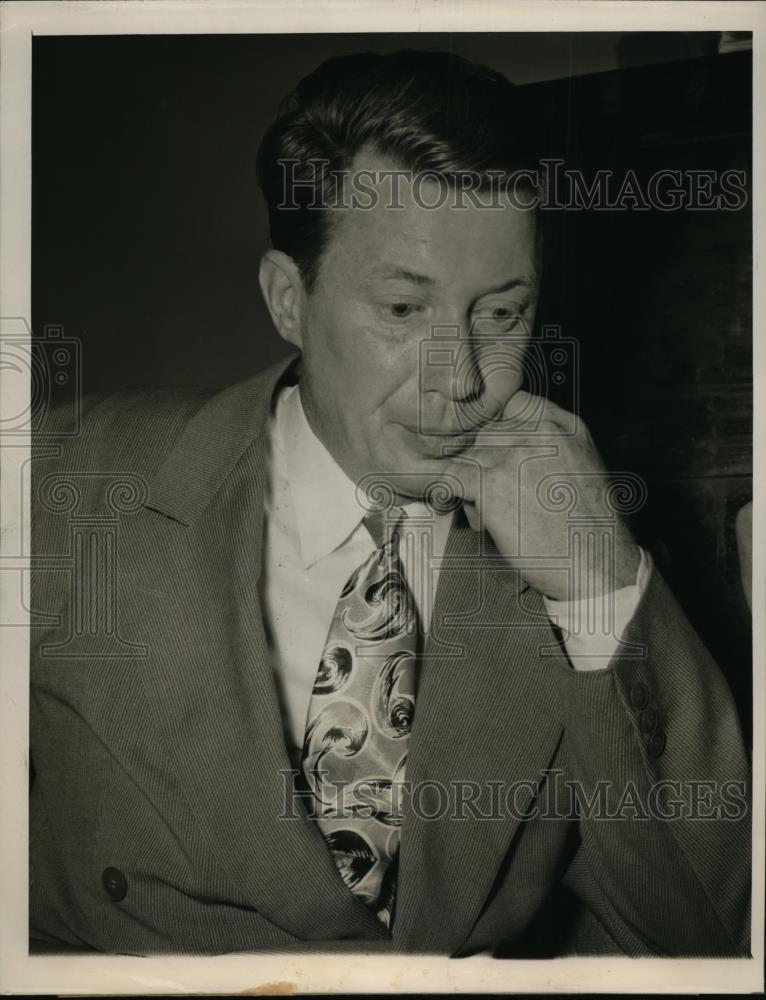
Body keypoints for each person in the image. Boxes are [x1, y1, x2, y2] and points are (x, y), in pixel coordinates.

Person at [29, 49, 750, 957]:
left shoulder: (577, 549)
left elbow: (696, 936)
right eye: (404, 312)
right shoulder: (59, 479)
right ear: (289, 299)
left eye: (500, 315)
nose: (459, 381)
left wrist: (600, 583)